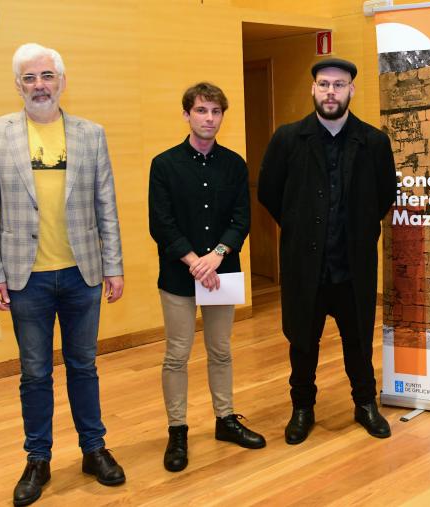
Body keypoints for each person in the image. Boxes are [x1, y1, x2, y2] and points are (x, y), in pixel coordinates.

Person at [0, 43, 126, 507]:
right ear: (17, 85)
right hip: (26, 278)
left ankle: (93, 449)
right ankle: (37, 459)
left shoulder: (90, 134)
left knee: (84, 367)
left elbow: (106, 205)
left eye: (46, 76)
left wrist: (114, 266)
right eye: (29, 78)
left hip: (82, 273)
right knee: (35, 373)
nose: (39, 85)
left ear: (61, 80)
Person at [258, 57, 396, 444]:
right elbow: (269, 192)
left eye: (338, 85)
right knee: (302, 342)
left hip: (353, 265)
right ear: (313, 90)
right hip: (306, 266)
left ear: (351, 90)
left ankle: (365, 404)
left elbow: (386, 195)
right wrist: (301, 227)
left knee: (357, 341)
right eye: (323, 84)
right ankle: (302, 408)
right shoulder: (288, 139)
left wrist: (359, 230)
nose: (330, 92)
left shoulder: (373, 142)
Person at [148, 82, 265, 473]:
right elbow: (161, 223)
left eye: (215, 112)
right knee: (177, 354)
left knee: (221, 350)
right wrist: (194, 260)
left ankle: (226, 420)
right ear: (187, 114)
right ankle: (177, 430)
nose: (209, 119)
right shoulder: (163, 164)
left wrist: (215, 257)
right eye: (201, 111)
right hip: (179, 276)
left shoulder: (234, 164)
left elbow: (241, 219)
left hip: (222, 272)